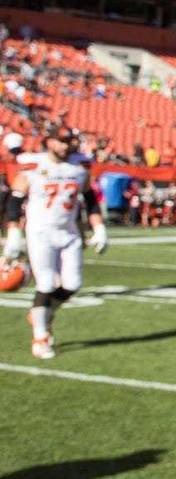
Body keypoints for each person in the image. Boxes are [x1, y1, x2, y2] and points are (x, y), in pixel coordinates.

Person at [3, 132, 107, 358]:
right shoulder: (32, 164)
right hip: (40, 231)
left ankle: (42, 313)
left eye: (69, 141)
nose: (67, 145)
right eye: (62, 141)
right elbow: (15, 201)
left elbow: (90, 199)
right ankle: (40, 337)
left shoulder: (80, 165)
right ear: (49, 142)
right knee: (47, 283)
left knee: (73, 284)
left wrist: (99, 228)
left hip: (69, 231)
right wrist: (13, 233)